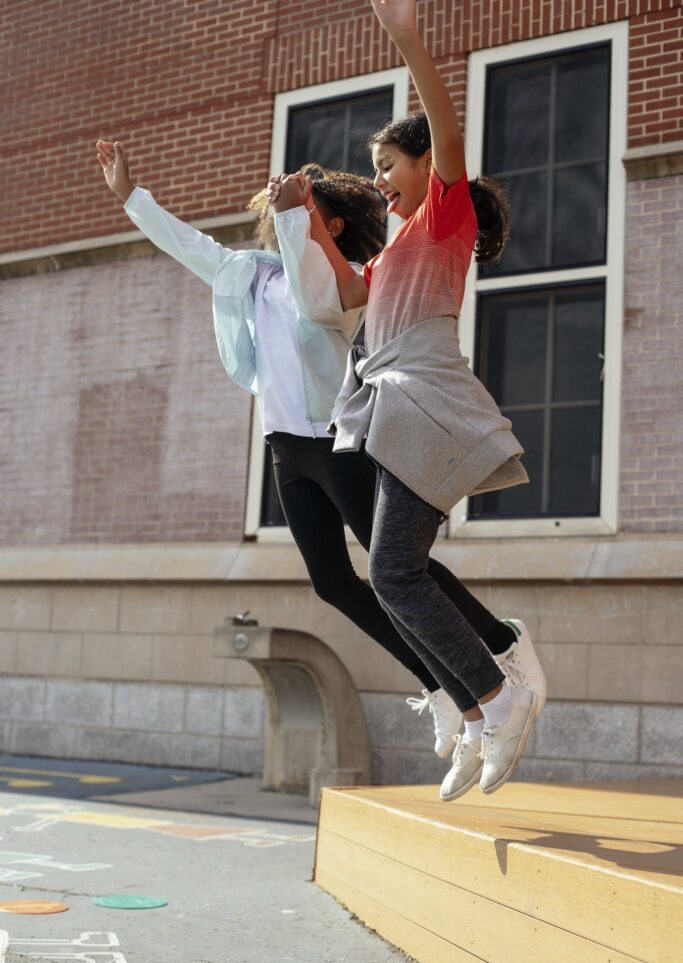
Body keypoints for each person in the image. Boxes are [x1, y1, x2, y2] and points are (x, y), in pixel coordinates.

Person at [94, 140, 527, 767]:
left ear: (332, 224)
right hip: (285, 448)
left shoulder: (333, 281)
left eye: (300, 208)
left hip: (339, 440)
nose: (282, 209)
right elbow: (193, 248)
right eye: (281, 207)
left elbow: (313, 293)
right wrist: (131, 196)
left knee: (397, 570)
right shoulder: (252, 272)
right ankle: (438, 681)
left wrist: (300, 221)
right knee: (332, 581)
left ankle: (496, 642)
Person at [267, 0, 547, 800]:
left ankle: (495, 696)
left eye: (389, 166)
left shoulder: (443, 218)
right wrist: (310, 226)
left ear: (425, 167)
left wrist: (407, 39)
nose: (381, 181)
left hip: (425, 399)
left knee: (391, 572)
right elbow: (352, 292)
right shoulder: (394, 251)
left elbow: (450, 135)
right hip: (386, 409)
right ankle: (484, 700)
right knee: (395, 570)